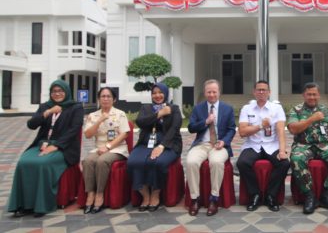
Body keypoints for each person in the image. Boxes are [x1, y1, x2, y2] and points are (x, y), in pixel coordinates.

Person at [8, 80, 84, 217]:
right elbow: (31, 125)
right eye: (54, 91)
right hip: (42, 144)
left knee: (42, 163)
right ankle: (24, 204)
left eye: (61, 91)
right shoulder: (45, 106)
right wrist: (48, 112)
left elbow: (74, 130)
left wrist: (56, 146)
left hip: (64, 147)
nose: (57, 94)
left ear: (66, 91)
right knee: (23, 162)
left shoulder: (75, 107)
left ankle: (41, 205)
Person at [288, 82, 328, 215]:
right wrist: (311, 119)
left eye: (314, 94)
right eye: (309, 94)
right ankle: (309, 196)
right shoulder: (296, 110)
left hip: (324, 145)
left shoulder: (326, 110)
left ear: (319, 95)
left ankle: (327, 195)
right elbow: (292, 129)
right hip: (303, 145)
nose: (312, 97)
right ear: (304, 95)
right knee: (296, 158)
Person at [127, 83, 182, 212]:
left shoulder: (174, 108)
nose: (157, 95)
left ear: (166, 93)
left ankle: (155, 194)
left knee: (157, 162)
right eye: (154, 93)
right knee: (133, 162)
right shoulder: (146, 108)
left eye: (160, 92)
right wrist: (159, 114)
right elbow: (141, 122)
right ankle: (145, 195)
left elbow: (175, 128)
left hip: (169, 144)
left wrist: (162, 146)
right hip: (146, 142)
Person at [236, 80, 290, 212]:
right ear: (254, 92)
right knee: (242, 163)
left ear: (269, 92)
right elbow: (242, 132)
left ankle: (271, 196)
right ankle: (255, 194)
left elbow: (281, 131)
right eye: (258, 90)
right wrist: (260, 126)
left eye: (264, 90)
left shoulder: (276, 109)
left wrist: (282, 151)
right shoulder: (246, 109)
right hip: (252, 145)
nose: (261, 92)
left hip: (271, 144)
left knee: (284, 163)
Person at [186, 79, 236, 216]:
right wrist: (205, 122)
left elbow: (232, 129)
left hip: (219, 145)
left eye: (214, 91)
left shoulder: (227, 108)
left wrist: (224, 142)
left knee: (216, 162)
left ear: (219, 92)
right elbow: (191, 128)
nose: (212, 94)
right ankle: (195, 199)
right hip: (202, 144)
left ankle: (214, 198)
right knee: (191, 162)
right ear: (205, 93)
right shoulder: (198, 108)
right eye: (209, 92)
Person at [82, 87, 131, 214]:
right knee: (87, 161)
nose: (105, 99)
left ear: (114, 99)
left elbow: (124, 134)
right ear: (98, 99)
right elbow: (88, 134)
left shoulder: (120, 114)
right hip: (98, 148)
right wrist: (99, 121)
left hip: (117, 149)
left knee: (102, 161)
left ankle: (99, 194)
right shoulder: (93, 116)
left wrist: (108, 147)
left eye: (108, 96)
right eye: (102, 96)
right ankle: (90, 194)